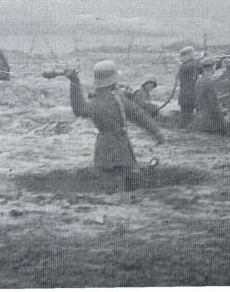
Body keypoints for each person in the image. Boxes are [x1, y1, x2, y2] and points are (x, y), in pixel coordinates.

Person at [66, 60, 164, 190]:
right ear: (113, 81)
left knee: (109, 181)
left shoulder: (94, 102)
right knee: (129, 178)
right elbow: (139, 115)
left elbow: (79, 110)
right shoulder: (118, 99)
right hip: (121, 145)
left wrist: (74, 83)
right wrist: (157, 133)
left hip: (102, 149)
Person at [193, 57, 225, 134]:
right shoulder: (210, 82)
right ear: (212, 67)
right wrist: (221, 121)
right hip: (210, 121)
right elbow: (214, 103)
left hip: (200, 118)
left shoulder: (199, 80)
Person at [177, 46, 200, 128]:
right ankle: (183, 132)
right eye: (192, 54)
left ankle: (185, 130)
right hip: (187, 95)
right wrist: (201, 59)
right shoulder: (185, 65)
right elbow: (195, 64)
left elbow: (203, 68)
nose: (193, 55)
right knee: (186, 117)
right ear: (186, 55)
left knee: (188, 115)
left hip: (189, 94)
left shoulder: (190, 64)